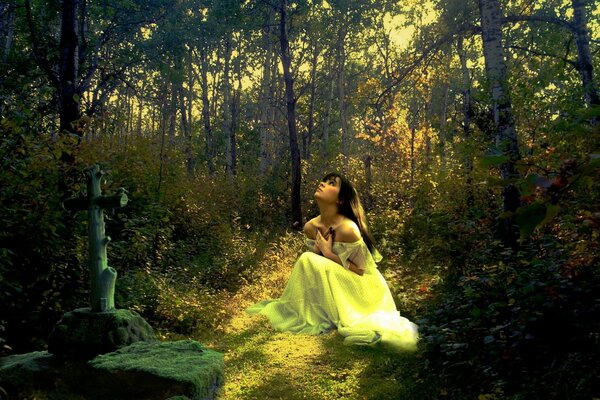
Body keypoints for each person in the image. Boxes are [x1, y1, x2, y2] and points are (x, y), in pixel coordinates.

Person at [246, 172, 418, 351]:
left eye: (331, 183)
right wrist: (318, 251)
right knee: (307, 259)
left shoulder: (348, 229)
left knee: (307, 258)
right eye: (324, 181)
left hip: (364, 287)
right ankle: (310, 313)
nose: (322, 184)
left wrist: (328, 253)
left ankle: (324, 313)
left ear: (341, 200)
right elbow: (314, 266)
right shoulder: (310, 227)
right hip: (340, 277)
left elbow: (361, 270)